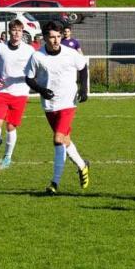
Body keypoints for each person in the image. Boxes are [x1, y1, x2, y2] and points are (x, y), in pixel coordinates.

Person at [26, 21, 90, 194]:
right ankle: (83, 165)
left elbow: (83, 68)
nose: (55, 40)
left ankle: (54, 183)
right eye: (52, 37)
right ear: (44, 38)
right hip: (49, 105)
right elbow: (29, 78)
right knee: (65, 140)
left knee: (57, 139)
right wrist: (41, 90)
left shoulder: (70, 53)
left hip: (68, 102)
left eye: (58, 37)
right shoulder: (37, 56)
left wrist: (84, 89)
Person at [0, 19, 36, 167]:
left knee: (10, 127)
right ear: (9, 32)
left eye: (19, 31)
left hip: (21, 93)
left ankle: (7, 156)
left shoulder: (29, 50)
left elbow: (36, 68)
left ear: (23, 33)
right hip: (3, 92)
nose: (16, 33)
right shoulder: (0, 48)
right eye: (14, 30)